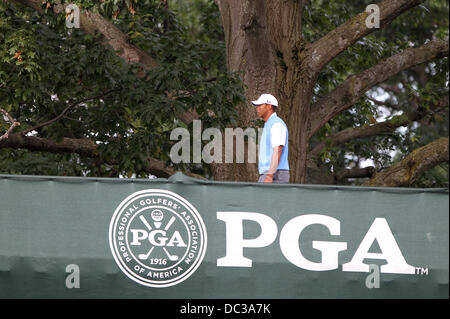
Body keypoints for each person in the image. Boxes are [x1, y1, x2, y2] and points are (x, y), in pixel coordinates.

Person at [252, 93, 289, 184]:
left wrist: (269, 176)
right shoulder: (269, 124)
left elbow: (278, 151)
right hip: (271, 173)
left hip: (275, 174)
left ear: (269, 106)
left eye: (260, 105)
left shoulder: (277, 124)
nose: (257, 108)